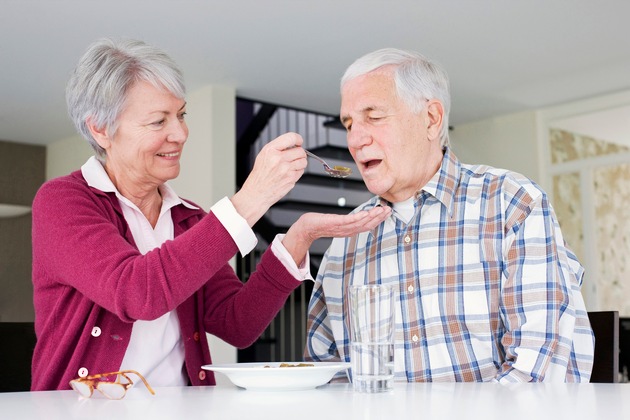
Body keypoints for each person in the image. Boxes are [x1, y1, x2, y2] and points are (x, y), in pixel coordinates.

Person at [30, 38, 391, 391]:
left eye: (181, 115)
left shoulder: (188, 218)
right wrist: (251, 199)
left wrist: (298, 240)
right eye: (159, 121)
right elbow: (138, 292)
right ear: (101, 129)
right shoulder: (63, 202)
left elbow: (237, 324)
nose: (180, 133)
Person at [304, 48, 595, 383]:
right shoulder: (344, 243)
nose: (355, 139)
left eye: (374, 117)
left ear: (431, 119)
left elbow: (538, 371)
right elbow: (327, 377)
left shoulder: (512, 203)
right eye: (349, 123)